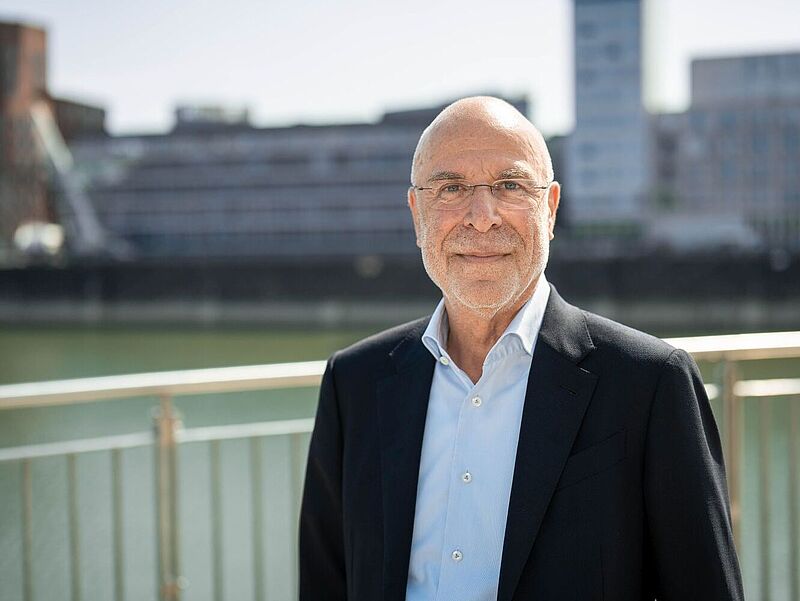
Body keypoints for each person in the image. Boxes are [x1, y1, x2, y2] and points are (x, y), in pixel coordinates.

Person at [299, 96, 744, 601]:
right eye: (451, 188)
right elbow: (324, 581)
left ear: (550, 209)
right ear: (417, 212)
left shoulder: (651, 383)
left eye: (509, 186)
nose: (481, 217)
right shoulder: (353, 383)